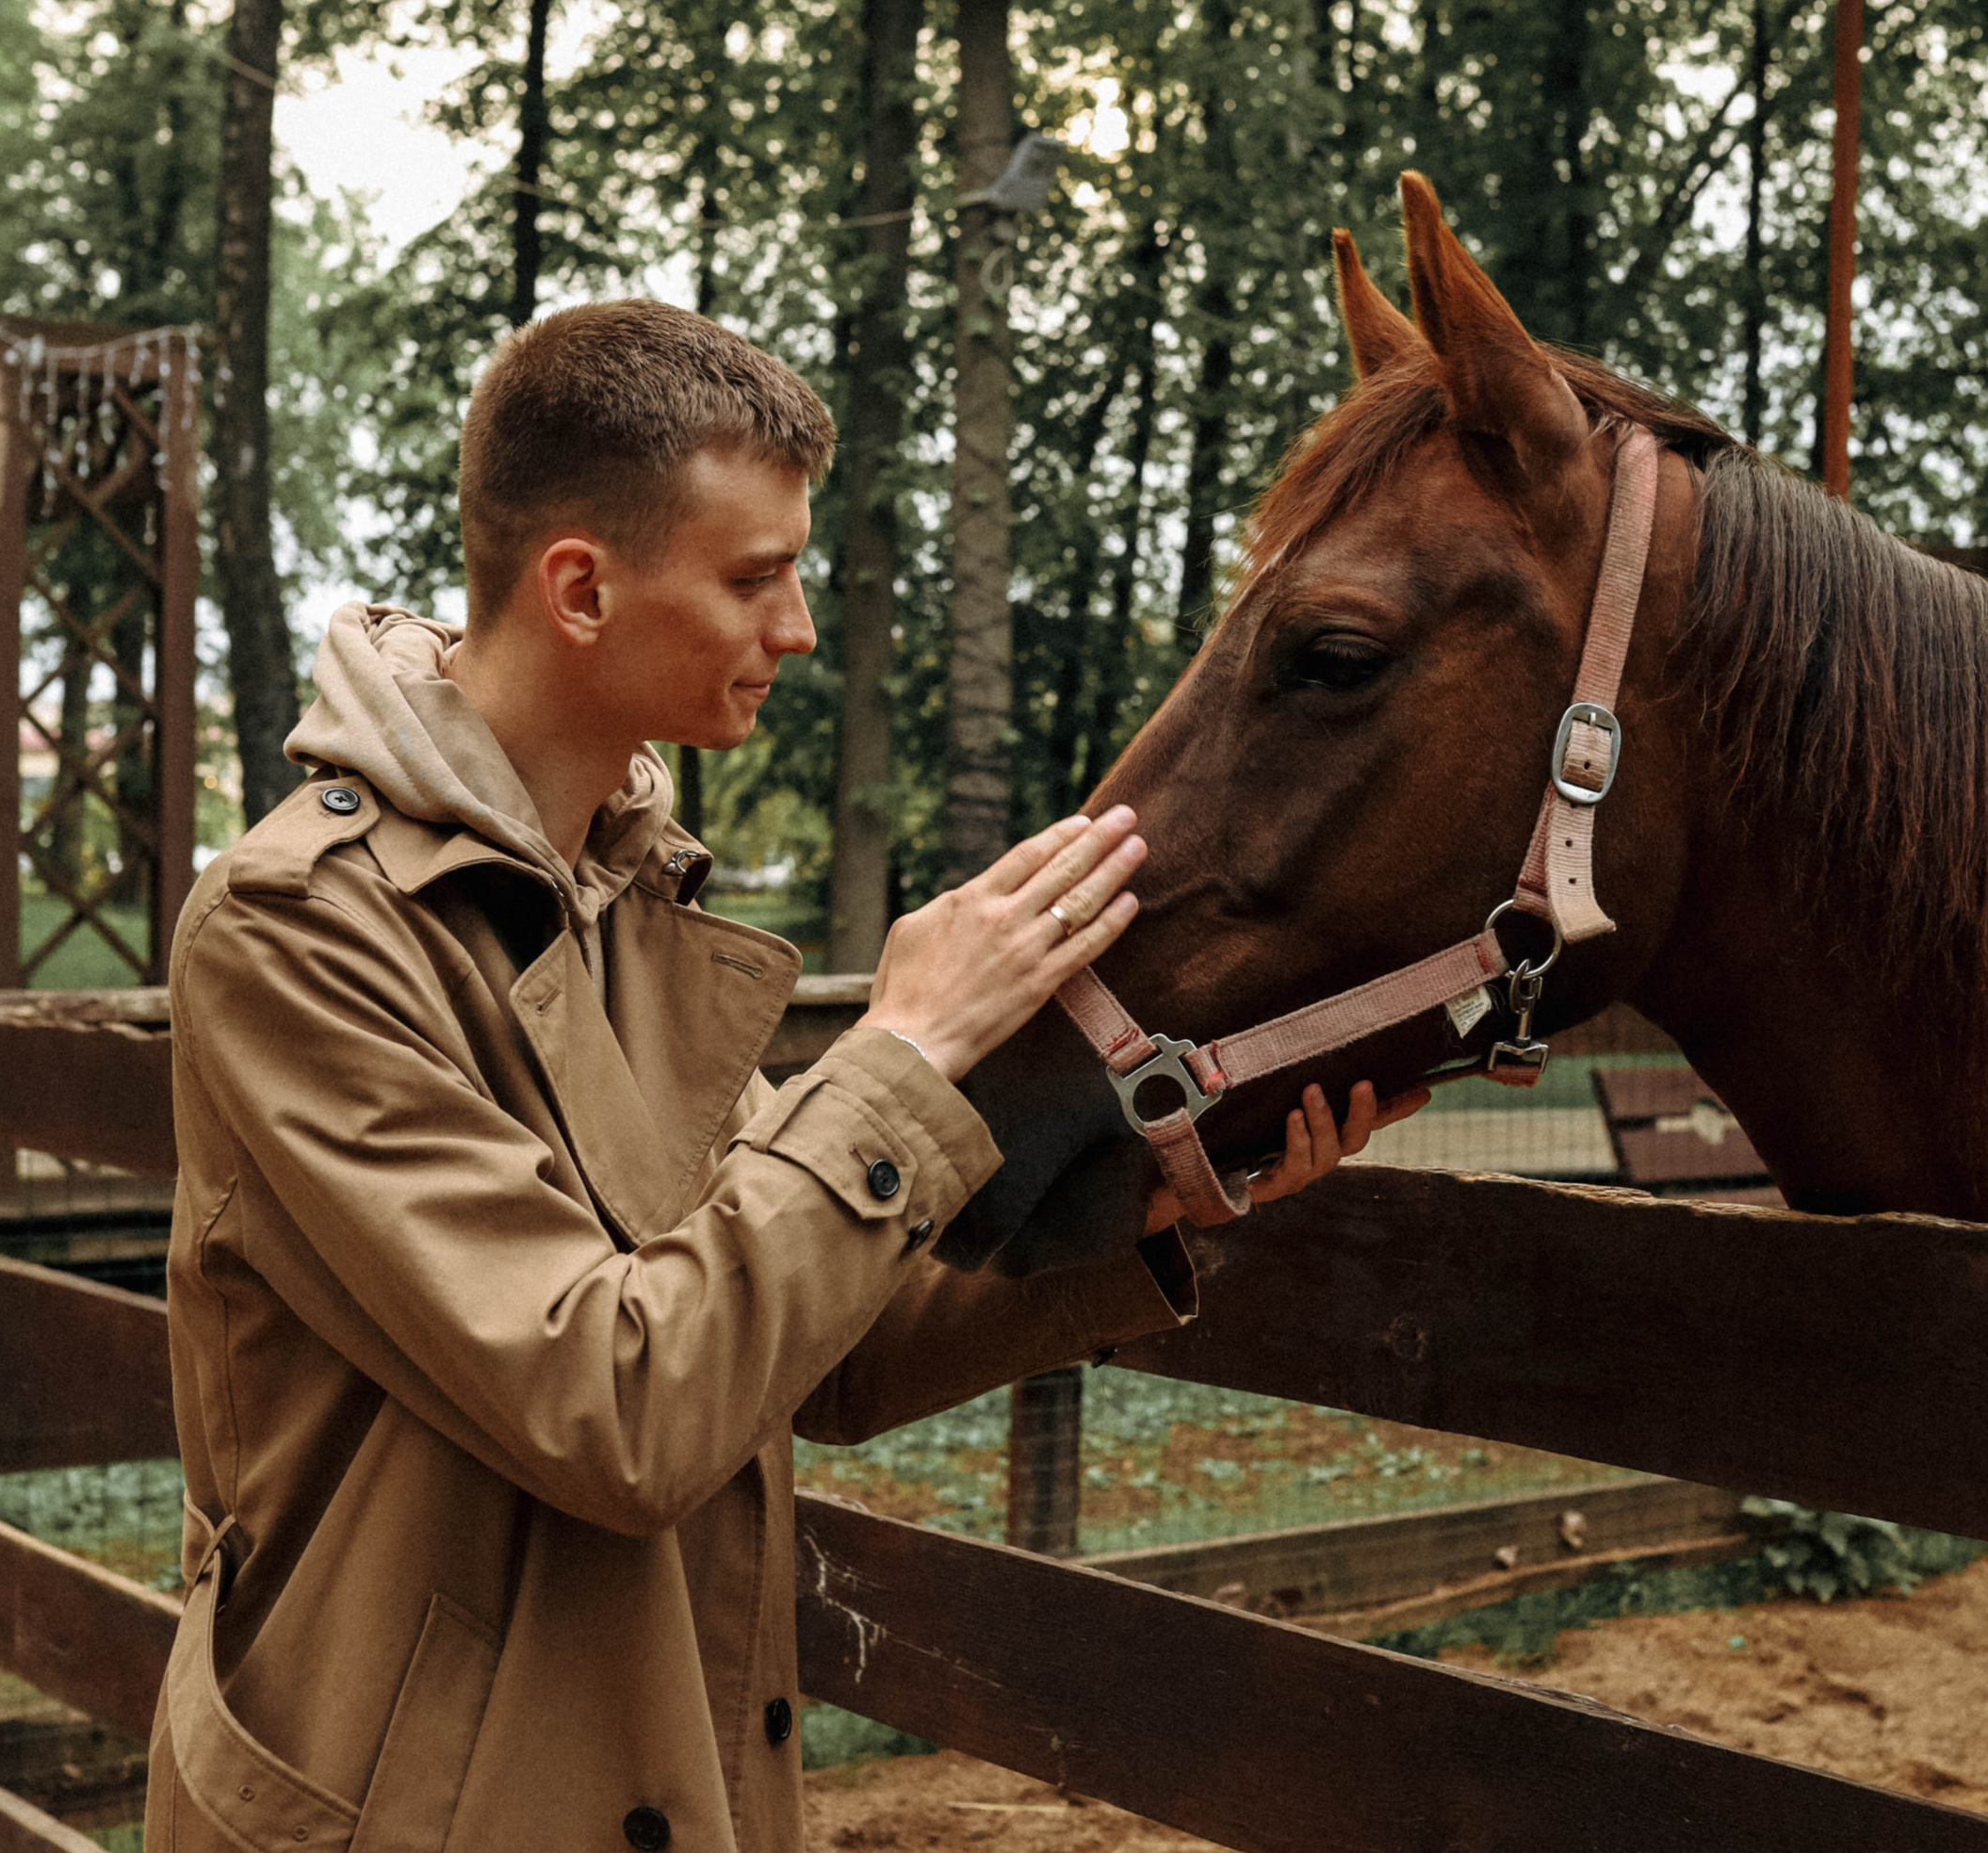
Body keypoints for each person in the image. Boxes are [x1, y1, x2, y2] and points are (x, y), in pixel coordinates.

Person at [147, 300, 1420, 1853]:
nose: (800, 625)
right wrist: (902, 1053)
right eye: (756, 576)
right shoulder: (298, 933)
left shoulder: (621, 891)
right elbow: (617, 1406)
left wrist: (1164, 1199)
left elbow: (815, 1351)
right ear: (582, 588)